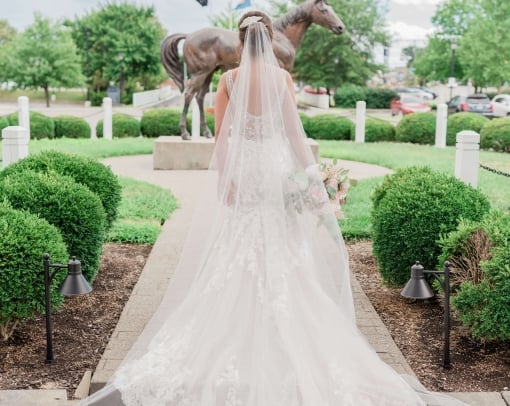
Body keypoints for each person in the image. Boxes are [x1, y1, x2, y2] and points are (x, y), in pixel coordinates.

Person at [82, 11, 469, 405]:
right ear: (268, 39)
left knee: (238, 244)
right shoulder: (282, 79)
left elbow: (222, 137)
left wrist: (225, 180)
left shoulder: (229, 80)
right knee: (283, 248)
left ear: (240, 39)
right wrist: (315, 179)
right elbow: (294, 136)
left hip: (247, 170)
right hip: (276, 169)